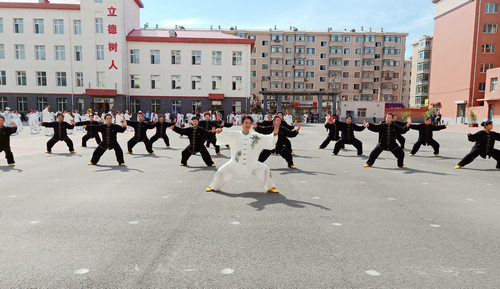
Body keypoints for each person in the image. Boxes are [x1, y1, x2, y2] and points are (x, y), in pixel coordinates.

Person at [206, 115, 280, 193]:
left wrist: (274, 134)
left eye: (249, 123)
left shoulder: (255, 136)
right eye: (246, 123)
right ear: (241, 124)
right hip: (234, 163)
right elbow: (226, 133)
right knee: (220, 172)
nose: (248, 125)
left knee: (265, 169)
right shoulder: (235, 135)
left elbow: (267, 138)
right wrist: (220, 131)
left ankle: (270, 187)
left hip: (252, 164)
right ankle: (213, 186)